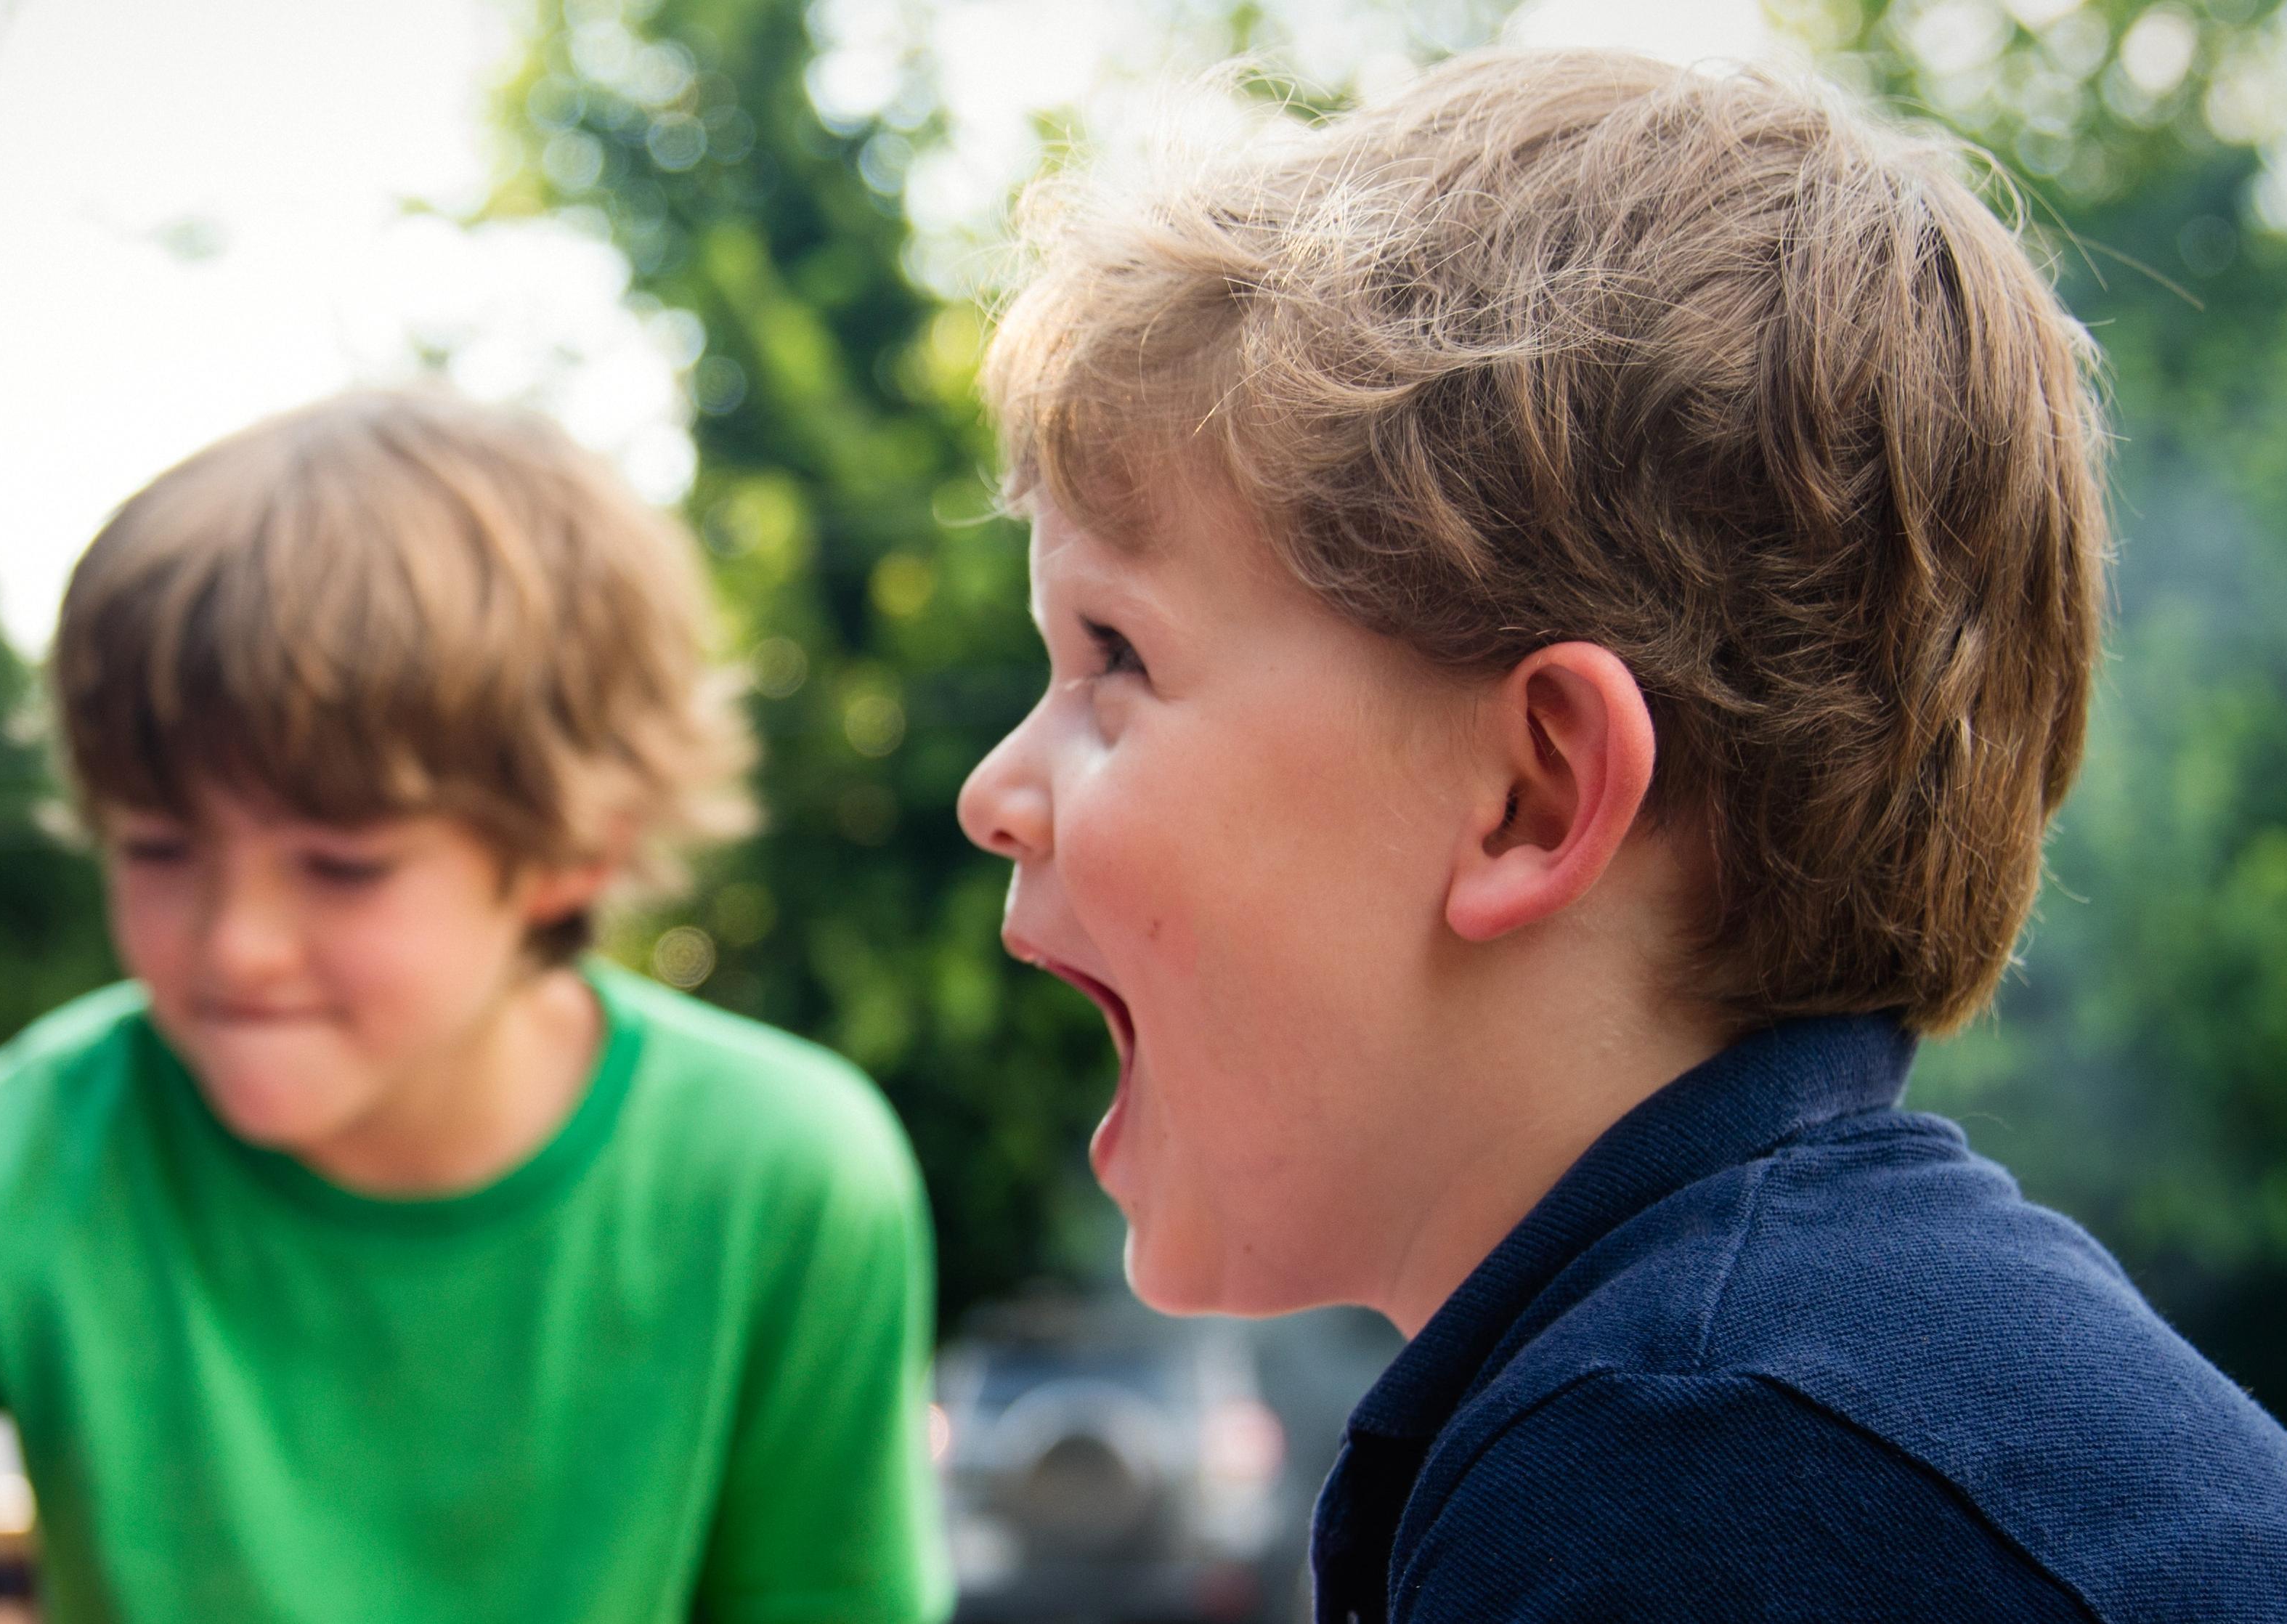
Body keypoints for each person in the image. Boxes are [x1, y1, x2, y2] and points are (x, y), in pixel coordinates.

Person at [954, 48, 2287, 1623]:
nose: (991, 789)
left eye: (1114, 656)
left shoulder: (1690, 1473)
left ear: (1529, 793)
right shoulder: (1795, 1373)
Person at [0, 390, 948, 1624]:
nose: (235, 944)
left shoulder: (782, 1170)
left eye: (342, 867)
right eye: (157, 847)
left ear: (573, 849)